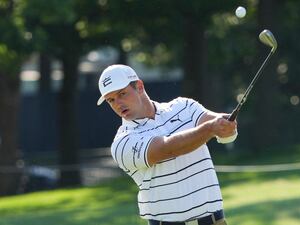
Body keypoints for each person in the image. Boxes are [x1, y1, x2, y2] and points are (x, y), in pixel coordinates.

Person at [97, 64, 238, 225]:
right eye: (111, 100)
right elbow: (167, 149)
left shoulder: (183, 106)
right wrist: (211, 128)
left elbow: (220, 126)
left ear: (139, 87)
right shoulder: (122, 143)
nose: (118, 104)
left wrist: (227, 128)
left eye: (122, 94)